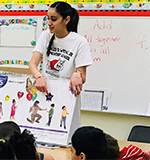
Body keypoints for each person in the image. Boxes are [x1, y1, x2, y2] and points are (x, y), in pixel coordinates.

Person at [29, 1, 92, 133]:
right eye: (48, 18)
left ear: (66, 20)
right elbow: (33, 64)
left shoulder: (80, 42)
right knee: (42, 130)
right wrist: (38, 76)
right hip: (45, 91)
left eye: (54, 19)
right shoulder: (45, 36)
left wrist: (77, 74)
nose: (49, 23)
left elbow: (82, 75)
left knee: (64, 132)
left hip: (66, 96)